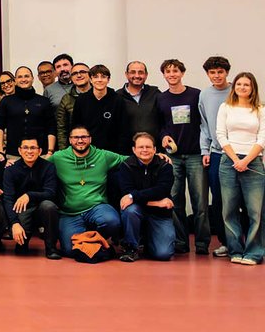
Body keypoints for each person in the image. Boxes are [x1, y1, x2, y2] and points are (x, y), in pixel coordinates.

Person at [156, 58, 209, 255]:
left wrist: (206, 149)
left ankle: (202, 244)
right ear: (163, 75)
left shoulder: (196, 95)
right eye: (168, 71)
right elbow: (160, 126)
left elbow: (204, 123)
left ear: (182, 73)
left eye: (175, 71)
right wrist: (163, 137)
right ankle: (180, 242)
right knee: (175, 200)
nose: (172, 74)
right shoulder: (161, 99)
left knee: (200, 202)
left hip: (195, 154)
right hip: (173, 157)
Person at [50, 125, 128, 258]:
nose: (80, 140)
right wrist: (12, 163)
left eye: (84, 137)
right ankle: (96, 243)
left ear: (90, 139)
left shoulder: (103, 156)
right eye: (76, 137)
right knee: (70, 251)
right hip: (70, 213)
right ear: (70, 140)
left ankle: (92, 239)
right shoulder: (58, 158)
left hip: (97, 207)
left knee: (112, 221)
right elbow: (38, 165)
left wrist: (156, 156)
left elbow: (129, 159)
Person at [216, 71, 265, 265]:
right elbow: (221, 135)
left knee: (256, 211)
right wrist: (236, 159)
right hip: (229, 162)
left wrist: (246, 161)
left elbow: (262, 138)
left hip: (253, 162)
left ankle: (254, 253)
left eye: (246, 85)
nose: (242, 87)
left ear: (252, 88)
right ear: (233, 87)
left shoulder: (260, 109)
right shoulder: (225, 107)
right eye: (239, 84)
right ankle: (235, 250)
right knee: (229, 209)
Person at [116, 132, 175, 262]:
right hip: (139, 211)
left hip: (160, 214)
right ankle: (131, 248)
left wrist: (134, 196)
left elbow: (162, 190)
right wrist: (158, 203)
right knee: (130, 210)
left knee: (163, 254)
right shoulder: (126, 166)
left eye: (148, 147)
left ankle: (148, 241)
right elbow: (127, 193)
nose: (144, 150)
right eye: (141, 147)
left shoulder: (165, 166)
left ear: (155, 149)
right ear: (134, 149)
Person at [2, 135, 60, 258]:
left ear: (39, 151)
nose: (29, 151)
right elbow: (7, 199)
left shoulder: (49, 167)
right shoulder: (10, 171)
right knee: (21, 252)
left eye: (33, 148)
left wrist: (29, 195)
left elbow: (51, 193)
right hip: (22, 211)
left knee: (49, 206)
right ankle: (22, 243)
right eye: (26, 148)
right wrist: (14, 223)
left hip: (42, 209)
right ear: (19, 151)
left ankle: (51, 248)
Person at [199, 55, 232, 257]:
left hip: (239, 154)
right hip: (217, 154)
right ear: (208, 74)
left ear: (227, 72)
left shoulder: (236, 90)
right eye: (213, 72)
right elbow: (204, 125)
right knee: (219, 200)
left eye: (220, 72)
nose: (217, 76)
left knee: (243, 202)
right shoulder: (204, 95)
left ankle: (248, 242)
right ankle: (226, 242)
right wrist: (205, 150)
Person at [0, 66, 55, 160]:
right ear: (15, 80)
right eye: (20, 77)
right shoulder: (6, 101)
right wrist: (0, 151)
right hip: (13, 155)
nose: (23, 79)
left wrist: (50, 152)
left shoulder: (44, 101)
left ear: (32, 78)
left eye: (26, 76)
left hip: (41, 154)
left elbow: (51, 128)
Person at [70, 64, 122, 152]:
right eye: (95, 77)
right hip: (88, 150)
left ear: (108, 80)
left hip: (112, 151)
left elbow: (122, 129)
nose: (99, 80)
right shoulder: (81, 100)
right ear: (90, 79)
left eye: (103, 77)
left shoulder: (118, 100)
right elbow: (76, 126)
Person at [117, 61, 162, 153]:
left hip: (153, 150)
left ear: (146, 75)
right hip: (127, 151)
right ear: (126, 74)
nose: (137, 76)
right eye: (133, 72)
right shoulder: (117, 96)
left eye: (140, 72)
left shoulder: (155, 93)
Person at [55, 63, 91, 148]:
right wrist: (63, 152)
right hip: (75, 147)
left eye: (82, 72)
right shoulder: (66, 99)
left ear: (90, 75)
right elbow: (61, 128)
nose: (79, 75)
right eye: (74, 73)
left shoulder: (99, 95)